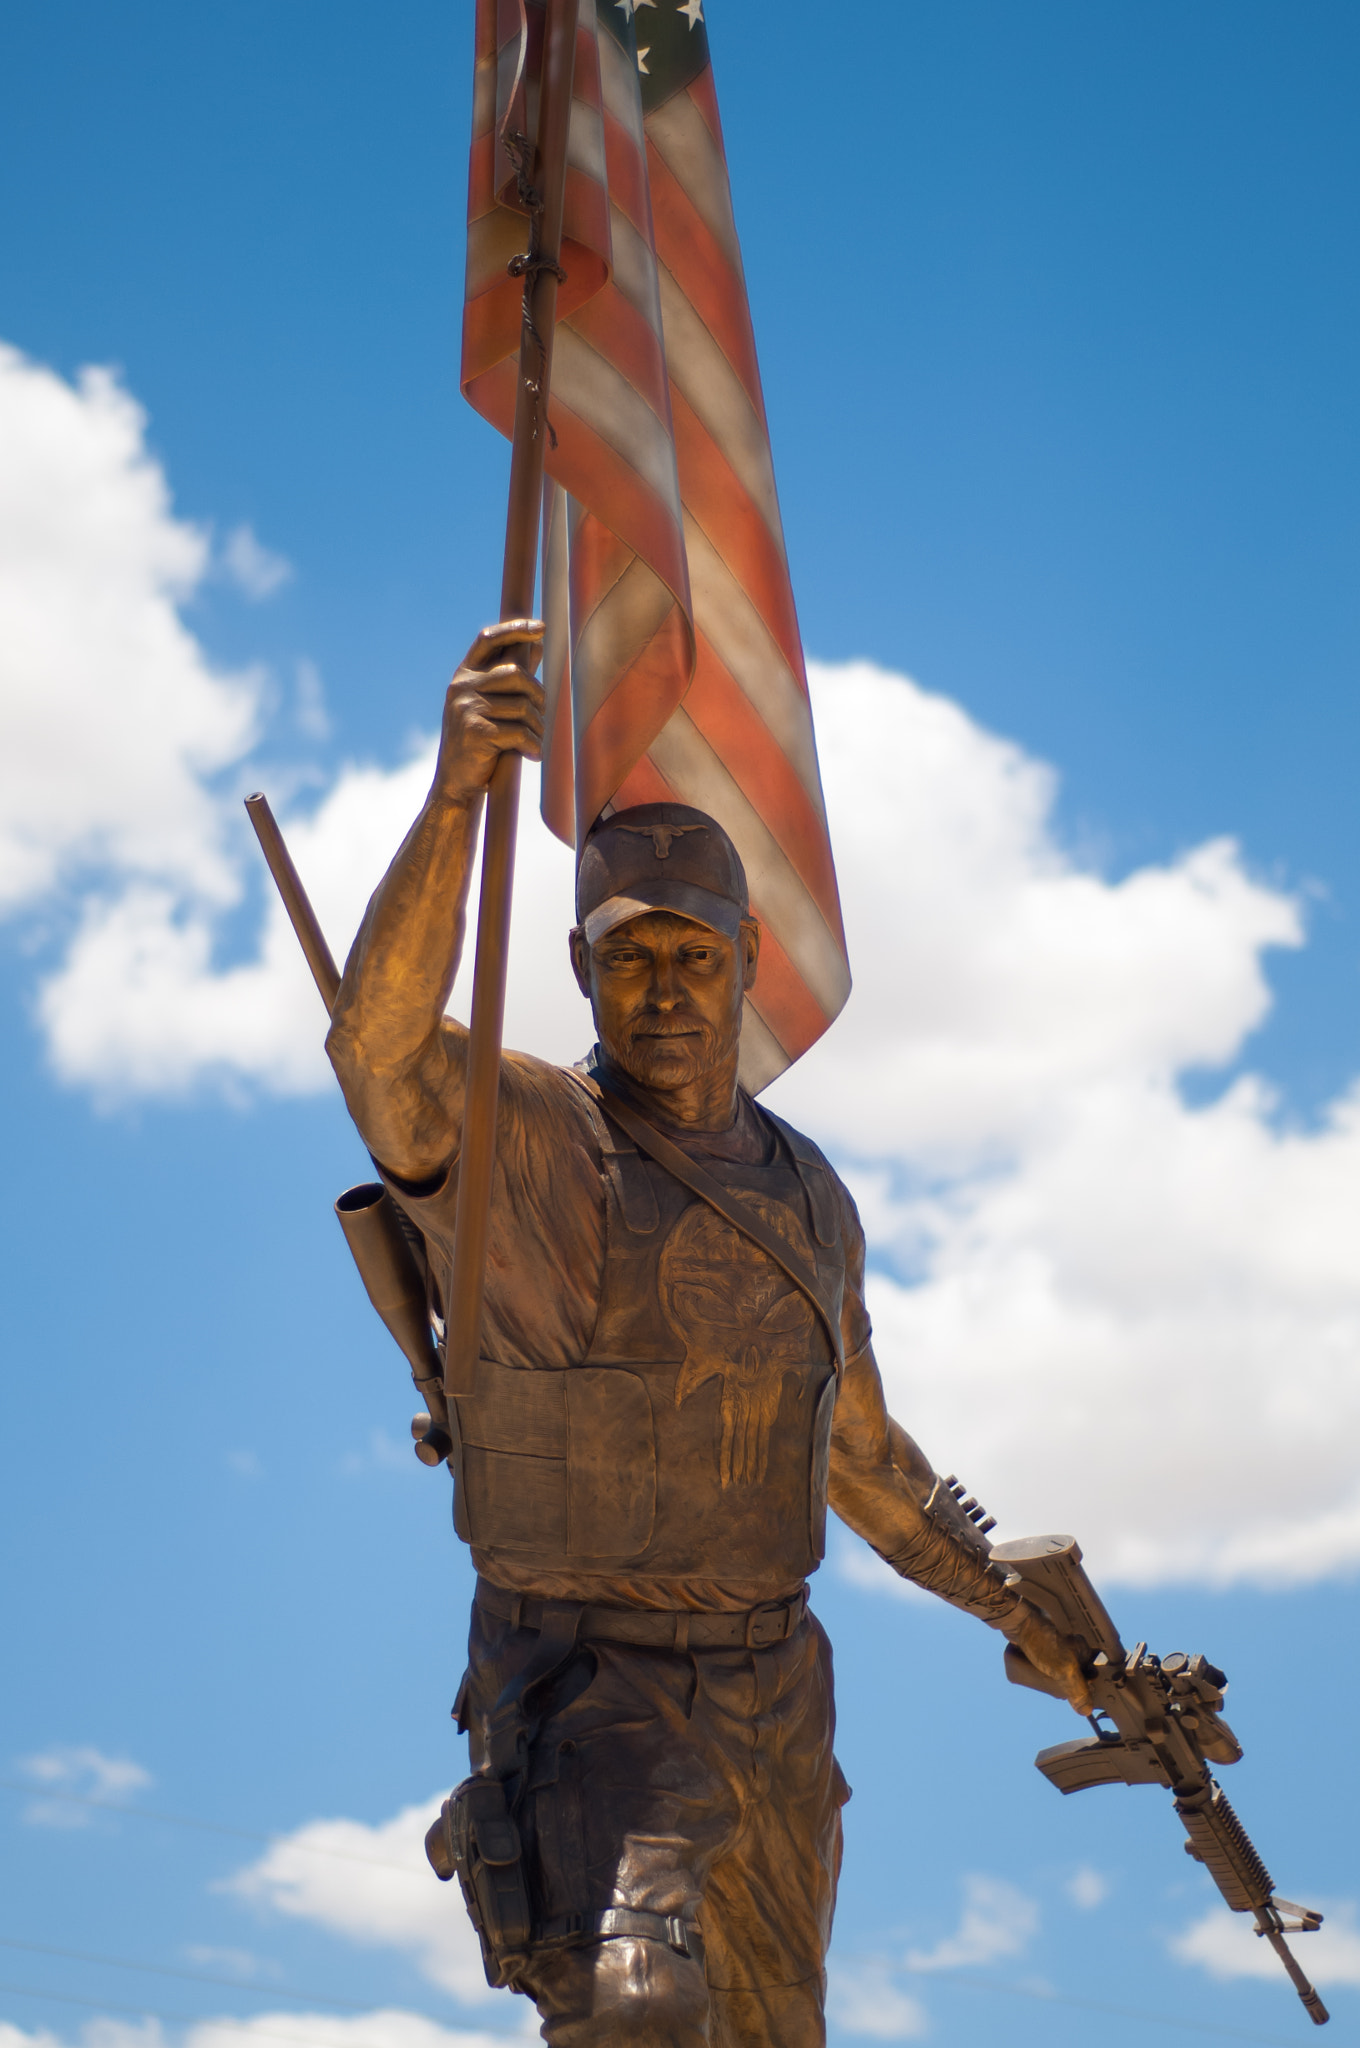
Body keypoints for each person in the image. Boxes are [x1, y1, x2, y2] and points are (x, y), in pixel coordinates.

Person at [326, 620, 1090, 2048]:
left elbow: (859, 1458)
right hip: (587, 1681)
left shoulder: (811, 1198)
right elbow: (376, 1053)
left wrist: (1017, 1613)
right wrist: (454, 802)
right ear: (579, 967)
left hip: (775, 1693)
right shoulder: (537, 1137)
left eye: (694, 955)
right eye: (631, 960)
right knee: (638, 2013)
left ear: (749, 958)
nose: (666, 990)